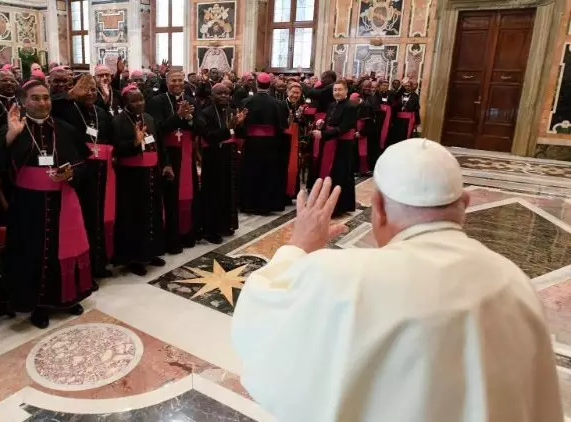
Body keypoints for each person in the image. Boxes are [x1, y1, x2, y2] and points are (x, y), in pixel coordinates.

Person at [232, 139, 565, 422]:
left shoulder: (343, 277)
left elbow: (258, 317)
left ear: (378, 207)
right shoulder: (515, 282)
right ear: (465, 204)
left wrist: (298, 246)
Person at [0, 80, 94, 329]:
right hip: (28, 206)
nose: (42, 102)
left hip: (63, 201)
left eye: (46, 97)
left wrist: (71, 175)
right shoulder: (14, 129)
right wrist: (10, 136)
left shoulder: (65, 128)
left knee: (65, 250)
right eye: (35, 98)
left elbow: (85, 166)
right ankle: (37, 304)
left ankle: (66, 298)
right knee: (31, 254)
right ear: (24, 102)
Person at [54, 74, 115, 279]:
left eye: (93, 90)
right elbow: (53, 105)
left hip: (101, 170)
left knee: (98, 217)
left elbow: (109, 135)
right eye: (85, 89)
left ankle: (98, 264)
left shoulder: (100, 112)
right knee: (84, 218)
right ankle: (84, 271)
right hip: (80, 171)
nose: (90, 93)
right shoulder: (67, 109)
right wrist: (70, 94)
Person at [112, 85, 166, 276]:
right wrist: (134, 143)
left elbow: (158, 144)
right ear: (125, 102)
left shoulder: (149, 118)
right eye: (134, 100)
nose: (139, 103)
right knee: (135, 216)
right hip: (131, 178)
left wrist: (164, 165)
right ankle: (133, 258)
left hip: (151, 172)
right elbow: (117, 149)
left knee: (153, 213)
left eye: (141, 99)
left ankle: (152, 252)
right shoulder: (117, 121)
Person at [146, 70, 200, 254]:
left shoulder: (192, 101)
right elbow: (158, 129)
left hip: (186, 154)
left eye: (180, 80)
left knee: (188, 193)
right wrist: (177, 116)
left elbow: (198, 127)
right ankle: (171, 238)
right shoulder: (156, 101)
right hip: (167, 154)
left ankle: (187, 234)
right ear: (167, 83)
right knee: (169, 197)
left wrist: (191, 119)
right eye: (173, 80)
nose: (177, 83)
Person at [197, 83, 245, 244]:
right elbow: (208, 136)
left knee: (228, 191)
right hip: (213, 158)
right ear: (212, 96)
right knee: (213, 194)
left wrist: (240, 125)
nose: (224, 96)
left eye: (226, 93)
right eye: (220, 93)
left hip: (229, 155)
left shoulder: (232, 111)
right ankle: (210, 230)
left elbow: (237, 133)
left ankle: (225, 225)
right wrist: (228, 128)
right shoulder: (205, 113)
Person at [240, 72, 287, 215]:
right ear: (270, 85)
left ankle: (249, 205)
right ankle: (266, 205)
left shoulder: (246, 102)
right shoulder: (278, 104)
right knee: (268, 174)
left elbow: (241, 126)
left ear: (256, 84)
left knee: (251, 173)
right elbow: (282, 127)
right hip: (271, 146)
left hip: (251, 145)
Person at [309, 80, 357, 217]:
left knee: (339, 173)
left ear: (346, 91)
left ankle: (338, 206)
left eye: (340, 89)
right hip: (331, 142)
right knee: (328, 172)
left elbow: (344, 127)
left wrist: (323, 134)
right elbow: (330, 123)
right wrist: (322, 124)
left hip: (342, 145)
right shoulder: (331, 105)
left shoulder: (350, 106)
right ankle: (325, 202)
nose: (337, 92)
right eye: (335, 90)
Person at [388, 80, 421, 146]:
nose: (407, 87)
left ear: (411, 87)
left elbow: (416, 109)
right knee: (396, 135)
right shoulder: (398, 95)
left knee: (406, 136)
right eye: (406, 86)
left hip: (408, 121)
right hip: (397, 119)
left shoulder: (415, 96)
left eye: (409, 86)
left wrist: (417, 122)